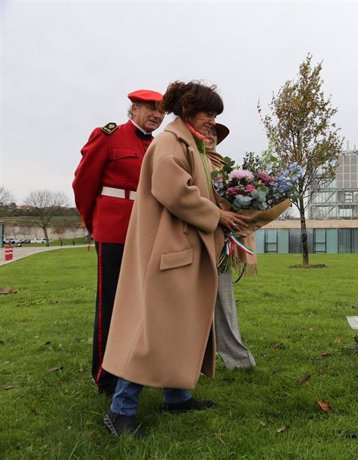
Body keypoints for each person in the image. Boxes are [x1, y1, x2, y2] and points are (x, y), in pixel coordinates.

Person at [101, 81, 250, 437]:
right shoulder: (171, 143)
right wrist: (218, 215)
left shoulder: (189, 144)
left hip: (180, 249)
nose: (212, 121)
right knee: (149, 333)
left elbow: (198, 188)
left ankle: (176, 397)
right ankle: (119, 411)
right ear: (187, 110)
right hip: (166, 252)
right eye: (208, 113)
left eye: (215, 115)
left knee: (178, 328)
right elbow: (175, 192)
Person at [72, 89, 164, 396]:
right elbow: (84, 183)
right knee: (111, 304)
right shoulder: (109, 136)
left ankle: (136, 368)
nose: (157, 115)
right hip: (114, 232)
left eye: (162, 111)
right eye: (150, 108)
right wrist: (93, 223)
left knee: (144, 304)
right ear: (133, 109)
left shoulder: (159, 146)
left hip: (147, 231)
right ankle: (106, 376)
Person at [205, 123, 256, 369]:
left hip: (222, 238)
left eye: (214, 134)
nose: (209, 136)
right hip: (195, 236)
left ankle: (236, 359)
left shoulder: (224, 165)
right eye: (206, 131)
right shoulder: (190, 160)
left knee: (223, 298)